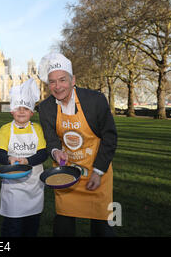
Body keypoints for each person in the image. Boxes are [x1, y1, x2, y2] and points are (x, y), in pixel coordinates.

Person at [38, 52, 117, 237]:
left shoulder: (95, 100)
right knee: (63, 227)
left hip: (97, 171)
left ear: (73, 80)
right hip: (66, 175)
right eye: (52, 82)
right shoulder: (46, 107)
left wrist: (98, 171)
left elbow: (110, 137)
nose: (57, 87)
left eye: (62, 80)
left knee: (103, 229)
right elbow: (51, 139)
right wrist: (56, 151)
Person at [0, 78, 48, 237]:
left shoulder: (37, 129)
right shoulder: (5, 130)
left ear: (32, 112)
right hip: (13, 186)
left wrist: (27, 161)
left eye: (26, 108)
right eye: (18, 108)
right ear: (11, 110)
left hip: (34, 185)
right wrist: (9, 159)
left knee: (32, 227)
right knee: (13, 227)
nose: (22, 111)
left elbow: (43, 153)